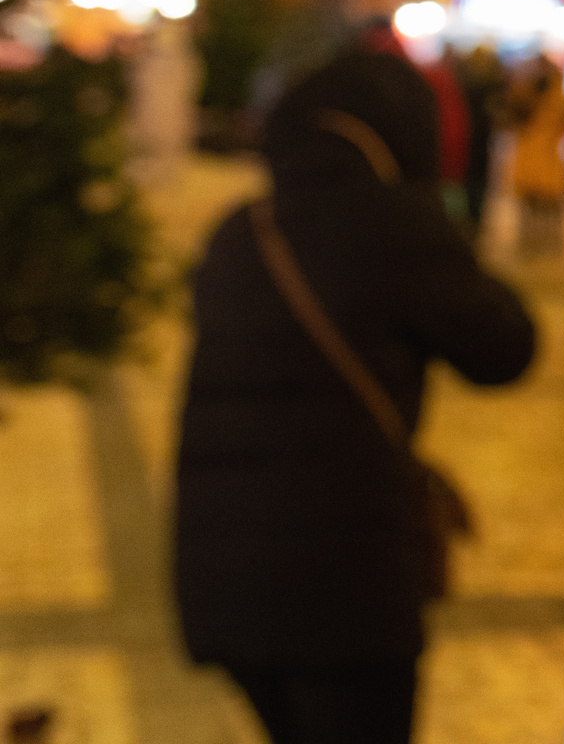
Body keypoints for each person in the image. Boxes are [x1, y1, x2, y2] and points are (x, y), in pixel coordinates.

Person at [175, 47, 538, 744]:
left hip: (222, 580)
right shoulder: (395, 226)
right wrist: (442, 225)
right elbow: (504, 351)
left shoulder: (239, 231)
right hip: (346, 589)